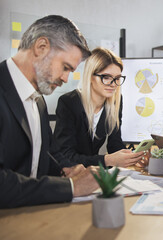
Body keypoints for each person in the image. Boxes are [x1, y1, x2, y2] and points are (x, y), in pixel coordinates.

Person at [0, 15, 99, 208]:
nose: (65, 78)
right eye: (65, 67)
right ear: (41, 47)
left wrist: (68, 168)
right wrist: (71, 187)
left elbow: (48, 151)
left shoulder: (38, 100)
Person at [52, 47, 146, 168]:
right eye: (106, 77)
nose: (113, 84)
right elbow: (65, 156)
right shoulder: (69, 103)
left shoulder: (115, 101)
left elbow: (115, 145)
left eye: (117, 78)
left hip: (93, 174)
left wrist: (132, 157)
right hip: (70, 174)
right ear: (90, 76)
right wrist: (107, 160)